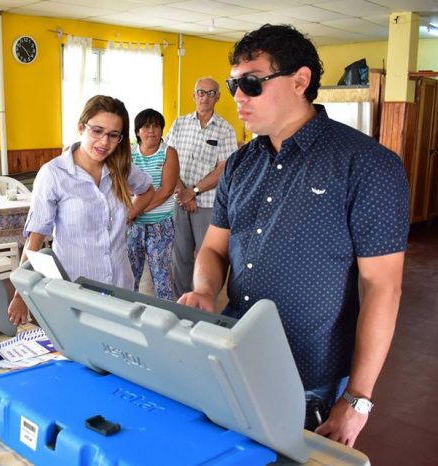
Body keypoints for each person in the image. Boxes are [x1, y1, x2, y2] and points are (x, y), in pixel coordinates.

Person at [178, 24, 409, 447]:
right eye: (234, 85)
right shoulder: (239, 165)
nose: (238, 98)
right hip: (235, 352)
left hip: (309, 373)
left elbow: (383, 287)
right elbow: (213, 248)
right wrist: (206, 291)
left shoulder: (367, 165)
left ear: (300, 81)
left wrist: (358, 400)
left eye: (251, 83)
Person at [7, 95, 154, 325]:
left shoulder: (121, 167)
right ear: (81, 127)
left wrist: (128, 215)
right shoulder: (54, 174)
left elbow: (147, 190)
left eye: (113, 135)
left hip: (120, 289)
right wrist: (20, 293)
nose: (104, 142)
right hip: (74, 291)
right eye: (97, 131)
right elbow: (35, 240)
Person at [165, 77, 238, 298]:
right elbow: (168, 158)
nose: (204, 97)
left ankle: (203, 306)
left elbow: (224, 168)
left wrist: (193, 191)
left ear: (218, 97)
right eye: (200, 92)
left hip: (206, 205)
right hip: (179, 201)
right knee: (180, 258)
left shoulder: (225, 129)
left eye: (210, 93)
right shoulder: (179, 123)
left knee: (208, 258)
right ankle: (182, 306)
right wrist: (182, 192)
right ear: (193, 95)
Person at [127, 109, 179, 300]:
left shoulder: (168, 153)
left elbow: (166, 190)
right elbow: (123, 189)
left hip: (160, 226)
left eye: (156, 126)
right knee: (129, 275)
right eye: (146, 126)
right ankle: (125, 315)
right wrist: (133, 214)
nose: (152, 131)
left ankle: (165, 321)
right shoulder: (129, 155)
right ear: (138, 131)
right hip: (133, 227)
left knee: (161, 277)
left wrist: (136, 210)